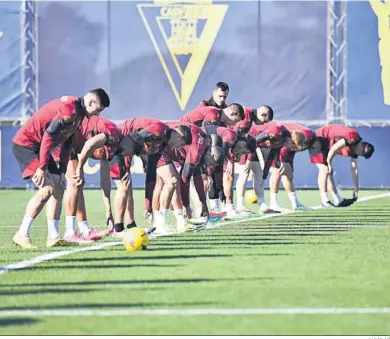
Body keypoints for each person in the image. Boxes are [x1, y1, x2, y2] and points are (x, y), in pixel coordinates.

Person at [12, 89, 110, 248]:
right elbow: (48, 137)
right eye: (98, 110)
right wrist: (42, 168)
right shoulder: (69, 110)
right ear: (90, 102)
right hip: (27, 145)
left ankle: (53, 236)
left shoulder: (78, 114)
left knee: (58, 185)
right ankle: (22, 233)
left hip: (41, 148)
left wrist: (62, 171)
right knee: (48, 188)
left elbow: (67, 143)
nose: (97, 114)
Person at [52, 115, 122, 244]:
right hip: (61, 135)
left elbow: (105, 180)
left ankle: (84, 230)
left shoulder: (111, 145)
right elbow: (89, 145)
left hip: (71, 139)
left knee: (78, 183)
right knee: (75, 181)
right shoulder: (107, 136)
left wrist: (108, 212)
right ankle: (70, 232)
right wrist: (79, 168)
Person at [152, 123, 222, 234]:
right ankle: (168, 221)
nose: (211, 166)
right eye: (212, 163)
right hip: (159, 143)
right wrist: (187, 205)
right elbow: (185, 181)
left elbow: (197, 178)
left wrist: (204, 204)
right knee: (173, 181)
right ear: (212, 155)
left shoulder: (203, 147)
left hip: (166, 143)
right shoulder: (197, 150)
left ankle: (161, 221)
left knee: (165, 182)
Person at [309, 124, 375, 207]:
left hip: (325, 143)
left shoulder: (355, 146)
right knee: (324, 169)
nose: (359, 155)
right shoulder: (353, 137)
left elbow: (354, 169)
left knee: (329, 171)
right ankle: (324, 200)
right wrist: (329, 163)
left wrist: (356, 188)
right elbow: (334, 148)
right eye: (361, 154)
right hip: (319, 137)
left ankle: (338, 200)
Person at [268, 122, 314, 211]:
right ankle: (273, 203)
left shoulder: (304, 137)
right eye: (295, 147)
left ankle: (295, 204)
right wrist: (282, 164)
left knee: (288, 175)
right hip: (273, 143)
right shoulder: (286, 143)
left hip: (288, 140)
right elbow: (281, 154)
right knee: (277, 171)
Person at [180, 103, 244, 128]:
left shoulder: (217, 116)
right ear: (232, 113)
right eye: (235, 120)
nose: (234, 124)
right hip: (180, 131)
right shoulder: (213, 115)